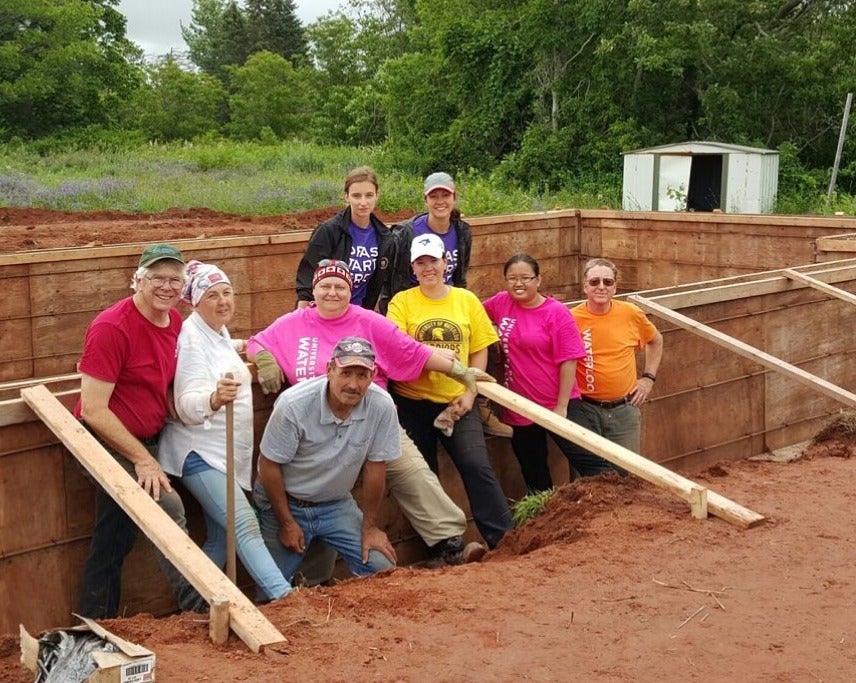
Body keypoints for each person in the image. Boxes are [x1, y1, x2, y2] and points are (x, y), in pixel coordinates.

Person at [248, 259, 490, 568]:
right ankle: (310, 572)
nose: (332, 293)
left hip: (369, 416)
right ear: (314, 290)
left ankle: (449, 542)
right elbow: (257, 341)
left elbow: (412, 350)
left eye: (340, 287)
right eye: (325, 286)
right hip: (315, 424)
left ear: (351, 292)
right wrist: (265, 358)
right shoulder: (293, 323)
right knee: (317, 486)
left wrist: (460, 372)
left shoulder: (368, 321)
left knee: (408, 468)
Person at [74, 243, 206, 618]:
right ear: (137, 281)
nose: (167, 287)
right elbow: (95, 411)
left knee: (113, 537)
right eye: (157, 278)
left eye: (175, 279)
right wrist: (143, 460)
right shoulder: (111, 328)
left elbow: (163, 381)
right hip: (104, 441)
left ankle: (96, 619)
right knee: (168, 507)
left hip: (149, 436)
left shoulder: (176, 322)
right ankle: (197, 608)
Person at [157, 261, 291, 602]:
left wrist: (253, 348)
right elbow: (186, 404)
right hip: (199, 453)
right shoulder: (191, 340)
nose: (222, 302)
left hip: (223, 452)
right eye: (212, 295)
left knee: (222, 539)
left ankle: (195, 605)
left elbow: (224, 349)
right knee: (244, 524)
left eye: (227, 293)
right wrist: (214, 398)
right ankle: (284, 599)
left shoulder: (215, 332)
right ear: (195, 301)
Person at [386, 234, 514, 550]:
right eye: (420, 262)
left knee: (476, 465)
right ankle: (445, 548)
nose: (428, 267)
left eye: (433, 260)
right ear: (412, 268)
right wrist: (429, 352)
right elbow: (397, 346)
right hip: (412, 401)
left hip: (458, 400)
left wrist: (471, 394)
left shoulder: (466, 300)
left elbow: (481, 349)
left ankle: (504, 538)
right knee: (422, 475)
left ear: (446, 263)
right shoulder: (401, 302)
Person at [253, 338, 400, 582]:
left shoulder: (381, 405)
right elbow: (269, 466)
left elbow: (375, 468)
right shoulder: (294, 404)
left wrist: (370, 526)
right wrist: (287, 523)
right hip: (286, 502)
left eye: (362, 376)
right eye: (346, 373)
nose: (353, 384)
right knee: (272, 590)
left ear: (373, 376)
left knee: (383, 569)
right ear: (330, 370)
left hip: (335, 504)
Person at [390, 171, 510, 438]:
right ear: (426, 199)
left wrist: (459, 304)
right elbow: (398, 278)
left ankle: (479, 403)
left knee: (486, 337)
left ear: (454, 197)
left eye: (446, 195)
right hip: (414, 302)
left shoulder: (461, 231)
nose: (440, 201)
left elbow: (460, 275)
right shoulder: (408, 232)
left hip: (447, 297)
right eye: (434, 196)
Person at [483, 254, 587, 492]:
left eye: (525, 278)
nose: (518, 284)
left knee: (587, 459)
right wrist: (490, 329)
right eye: (512, 278)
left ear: (538, 280)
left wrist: (561, 407)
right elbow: (472, 314)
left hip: (557, 402)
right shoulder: (501, 303)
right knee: (534, 471)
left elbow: (569, 359)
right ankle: (547, 517)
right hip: (520, 406)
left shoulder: (556, 313)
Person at [566, 257, 664, 474]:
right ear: (584, 286)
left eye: (607, 282)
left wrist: (648, 378)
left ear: (615, 286)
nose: (601, 287)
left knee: (626, 476)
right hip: (585, 410)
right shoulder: (572, 318)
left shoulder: (631, 313)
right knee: (586, 479)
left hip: (624, 410)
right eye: (594, 282)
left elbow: (656, 340)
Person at [295, 166, 394, 311]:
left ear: (377, 195)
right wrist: (301, 317)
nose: (363, 202)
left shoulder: (384, 237)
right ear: (346, 196)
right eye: (356, 196)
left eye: (369, 195)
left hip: (358, 314)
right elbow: (307, 276)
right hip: (326, 312)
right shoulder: (329, 231)